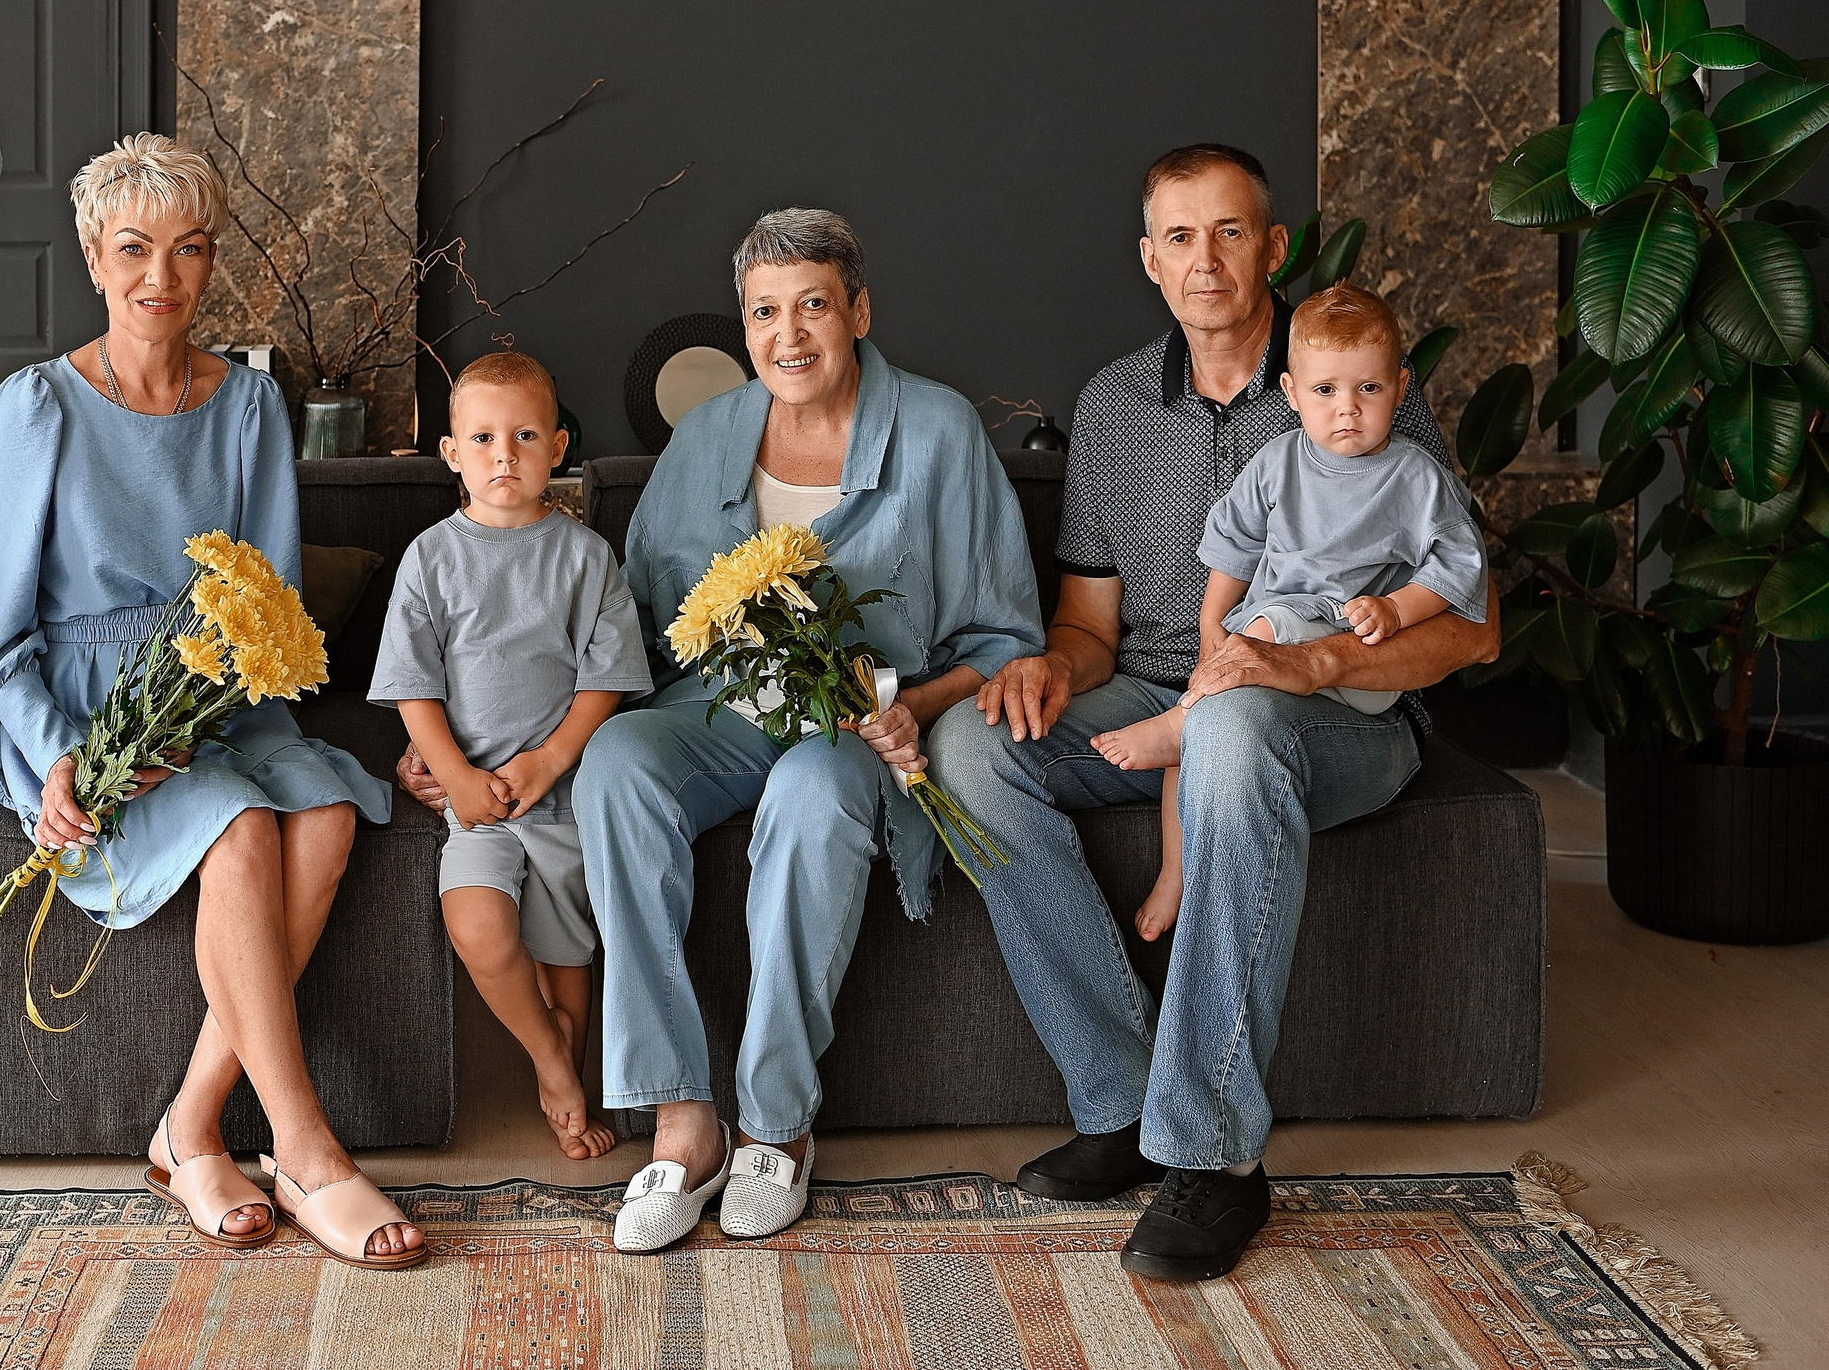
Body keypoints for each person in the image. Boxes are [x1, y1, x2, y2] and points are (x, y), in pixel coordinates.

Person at [406, 208, 1042, 1252]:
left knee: (812, 793)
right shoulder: (706, 433)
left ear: (858, 312)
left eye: (812, 307)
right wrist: (473, 742)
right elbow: (625, 628)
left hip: (855, 721)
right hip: (715, 703)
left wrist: (908, 709)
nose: (788, 335)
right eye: (763, 313)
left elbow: (1005, 631)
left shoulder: (935, 431)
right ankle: (680, 1116)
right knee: (617, 762)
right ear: (742, 327)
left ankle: (779, 1122)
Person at [927, 144, 1501, 1284]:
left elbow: (1474, 629)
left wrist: (1315, 662)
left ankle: (1212, 1157)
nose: (1206, 259)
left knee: (1234, 725)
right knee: (968, 749)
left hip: (1340, 710)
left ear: (1273, 248)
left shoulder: (1359, 387)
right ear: (1149, 261)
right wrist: (1048, 668)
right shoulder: (1110, 408)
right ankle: (1123, 1102)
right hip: (1152, 687)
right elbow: (1090, 625)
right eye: (1180, 237)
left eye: (1231, 232)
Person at [0, 134, 424, 1271]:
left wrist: (203, 715)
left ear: (212, 263)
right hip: (85, 714)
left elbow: (271, 605)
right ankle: (308, 1148)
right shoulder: (37, 408)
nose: (158, 277)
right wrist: (70, 756)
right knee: (242, 822)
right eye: (132, 249)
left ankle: (190, 1125)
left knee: (321, 811)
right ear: (90, 254)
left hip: (218, 703)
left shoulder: (252, 404)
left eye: (187, 250)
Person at [1092, 283, 1487, 940]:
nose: (1348, 411)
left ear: (1401, 387)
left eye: (1369, 389)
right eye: (1326, 390)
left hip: (1354, 663)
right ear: (1292, 391)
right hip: (1268, 634)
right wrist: (1212, 625)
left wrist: (1394, 608)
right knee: (1209, 713)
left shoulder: (1414, 477)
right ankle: (1173, 871)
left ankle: (1179, 721)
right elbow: (1232, 544)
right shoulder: (1278, 463)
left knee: (1247, 653)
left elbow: (1459, 569)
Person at [368, 352, 650, 1162]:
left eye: (525, 435)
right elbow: (413, 687)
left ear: (557, 446)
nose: (505, 454)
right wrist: (455, 777)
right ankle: (550, 1060)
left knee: (571, 954)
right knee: (479, 925)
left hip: (563, 796)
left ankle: (572, 1064)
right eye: (484, 437)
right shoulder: (430, 558)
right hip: (476, 805)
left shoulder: (586, 556)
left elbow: (606, 680)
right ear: (452, 453)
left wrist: (552, 759)